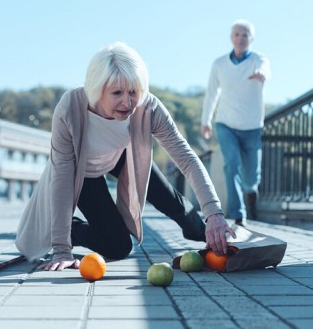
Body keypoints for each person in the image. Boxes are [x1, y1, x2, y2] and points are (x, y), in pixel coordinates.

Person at [16, 42, 235, 271]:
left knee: (174, 203)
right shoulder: (70, 108)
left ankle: (210, 234)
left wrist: (214, 214)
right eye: (117, 93)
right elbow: (61, 177)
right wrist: (62, 248)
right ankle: (71, 229)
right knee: (118, 247)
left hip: (122, 155)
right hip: (82, 170)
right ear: (97, 89)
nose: (128, 102)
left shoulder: (148, 106)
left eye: (133, 92)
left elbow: (187, 160)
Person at [201, 19, 271, 226]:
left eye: (245, 35)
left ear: (252, 39)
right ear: (231, 37)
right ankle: (238, 214)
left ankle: (251, 195)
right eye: (237, 34)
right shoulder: (219, 64)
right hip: (226, 124)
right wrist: (206, 121)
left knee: (250, 179)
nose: (241, 38)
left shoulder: (259, 60)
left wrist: (262, 74)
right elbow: (212, 93)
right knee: (231, 164)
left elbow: (266, 69)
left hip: (252, 126)